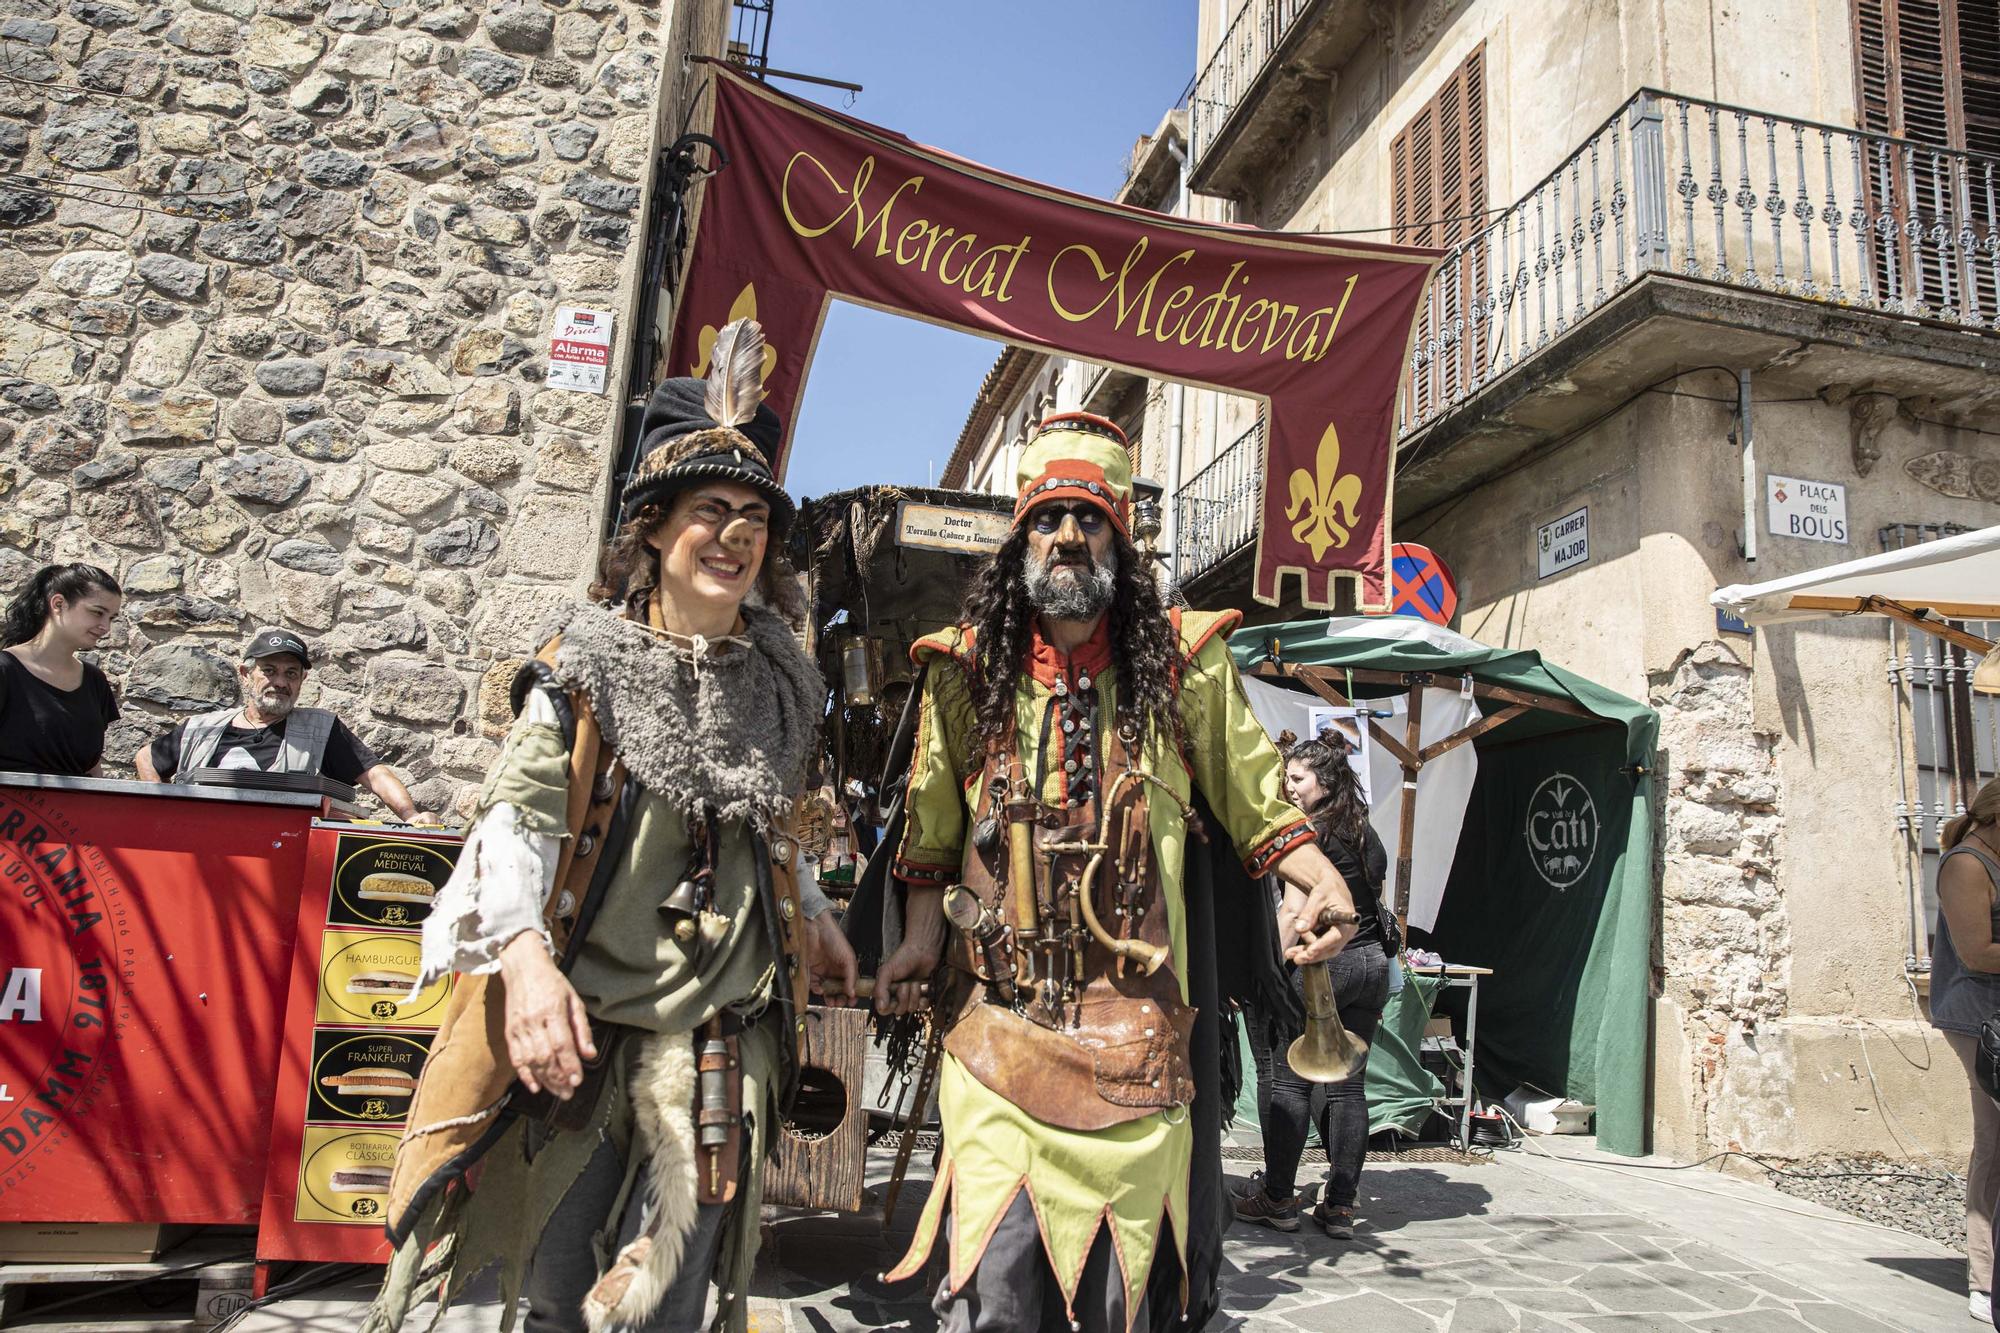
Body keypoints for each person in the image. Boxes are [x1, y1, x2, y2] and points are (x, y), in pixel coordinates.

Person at [365, 319, 857, 1333]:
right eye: (708, 511)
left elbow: (771, 822)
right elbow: (517, 821)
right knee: (546, 1297)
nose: (733, 536)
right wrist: (525, 966)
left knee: (665, 1308)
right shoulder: (583, 662)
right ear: (654, 529)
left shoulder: (784, 683)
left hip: (720, 1040)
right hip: (580, 1037)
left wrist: (807, 909)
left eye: (752, 519)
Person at [872, 412, 1360, 1332]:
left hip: (1140, 1049)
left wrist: (1318, 875)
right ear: (1021, 535)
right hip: (998, 1036)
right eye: (1048, 516)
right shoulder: (962, 673)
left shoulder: (1186, 664)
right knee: (998, 1292)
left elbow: (1258, 795)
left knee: (1118, 1301)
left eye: (1089, 518)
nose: (1066, 536)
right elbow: (933, 842)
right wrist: (916, 942)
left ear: (1121, 540)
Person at [1235, 729, 1394, 1239]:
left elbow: (1292, 911)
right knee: (1349, 1090)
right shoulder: (1366, 833)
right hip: (1372, 965)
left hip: (1325, 966)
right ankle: (1341, 1207)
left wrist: (1261, 967)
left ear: (1325, 782)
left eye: (1297, 777)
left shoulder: (1311, 838)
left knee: (1287, 1083)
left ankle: (1278, 1199)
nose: (1289, 785)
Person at [134, 628, 434, 823]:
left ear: (302, 680)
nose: (280, 682)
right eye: (269, 671)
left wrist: (411, 815)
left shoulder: (322, 729)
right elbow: (146, 757)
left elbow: (375, 773)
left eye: (291, 673)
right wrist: (162, 816)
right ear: (246, 673)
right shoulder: (201, 728)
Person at [1931, 775, 2000, 1325]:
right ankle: (1985, 1279)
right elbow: (1977, 953)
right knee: (1994, 1142)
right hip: (1981, 1021)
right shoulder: (1967, 865)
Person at [0, 563, 123, 777]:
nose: (106, 627)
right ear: (58, 604)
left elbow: (92, 767)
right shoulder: (5, 670)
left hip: (76, 808)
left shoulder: (95, 681)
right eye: (97, 612)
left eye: (111, 618)